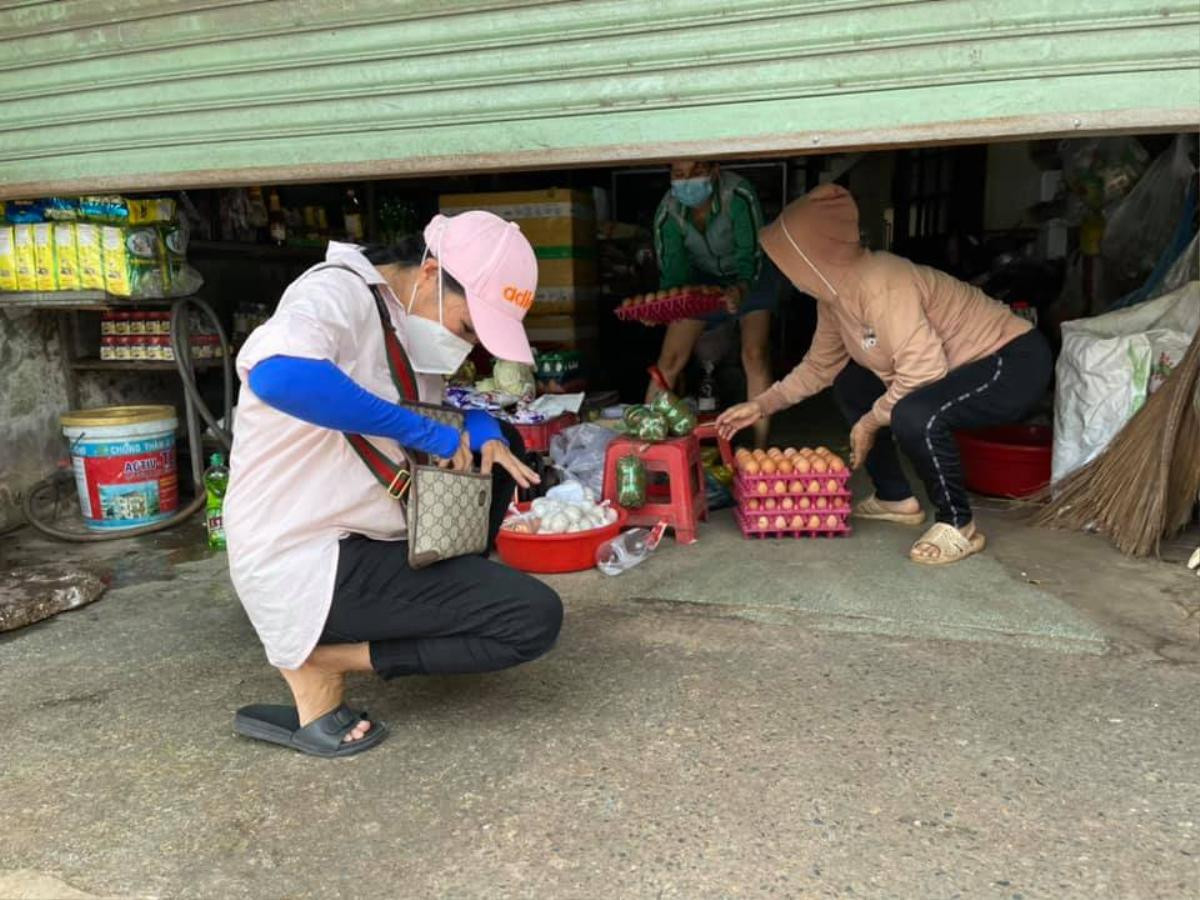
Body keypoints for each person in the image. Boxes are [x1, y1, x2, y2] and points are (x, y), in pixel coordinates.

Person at [225, 212, 563, 757]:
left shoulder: (407, 318)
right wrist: (421, 431)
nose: (466, 347)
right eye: (466, 327)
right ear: (430, 275)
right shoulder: (337, 292)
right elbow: (279, 373)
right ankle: (325, 657)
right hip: (311, 552)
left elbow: (442, 405)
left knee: (501, 447)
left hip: (374, 533)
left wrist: (481, 431)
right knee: (530, 619)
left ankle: (419, 603)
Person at [717, 185, 1052, 565]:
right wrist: (762, 405)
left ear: (813, 254)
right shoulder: (835, 297)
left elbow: (924, 373)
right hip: (958, 368)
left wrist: (870, 421)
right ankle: (895, 496)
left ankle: (958, 526)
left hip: (1011, 360)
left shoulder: (883, 283)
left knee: (915, 413)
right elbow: (819, 367)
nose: (783, 270)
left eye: (788, 258)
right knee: (849, 381)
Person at [648, 160, 784, 447]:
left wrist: (742, 288)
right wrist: (665, 306)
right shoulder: (667, 212)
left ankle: (758, 451)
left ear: (714, 172)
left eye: (697, 172)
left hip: (753, 274)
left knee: (754, 354)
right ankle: (646, 443)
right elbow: (673, 271)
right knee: (670, 360)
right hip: (702, 279)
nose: (687, 181)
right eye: (679, 174)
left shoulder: (738, 195)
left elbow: (752, 253)